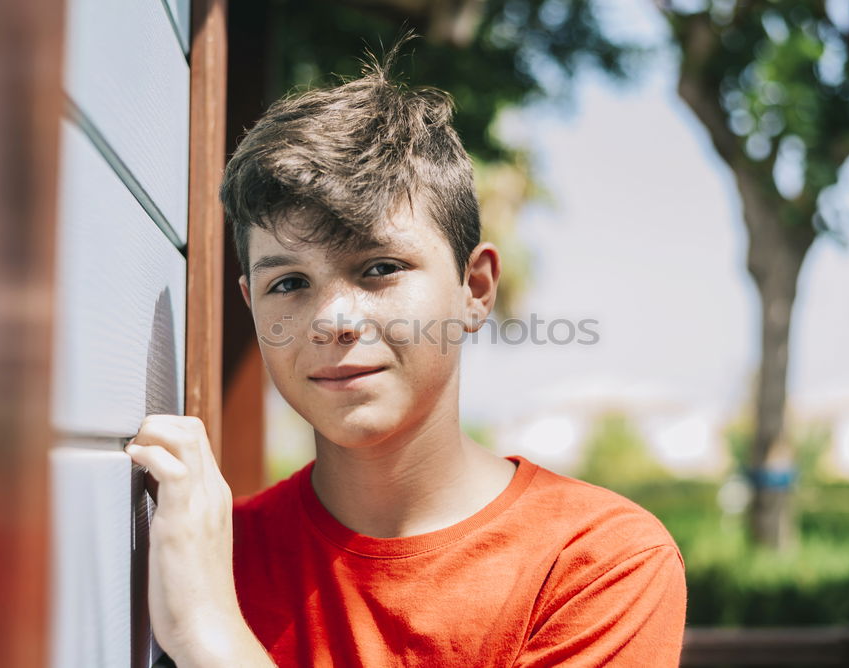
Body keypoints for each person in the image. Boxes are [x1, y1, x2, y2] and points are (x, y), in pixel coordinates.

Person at [124, 40, 686, 667]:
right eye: (287, 283)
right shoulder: (206, 553)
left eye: (380, 268)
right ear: (251, 305)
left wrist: (210, 634)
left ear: (474, 289)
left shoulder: (596, 563)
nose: (333, 320)